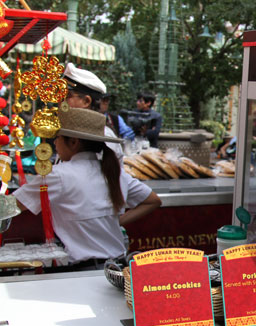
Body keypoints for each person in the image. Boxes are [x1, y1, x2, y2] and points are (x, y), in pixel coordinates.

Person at [13, 108, 162, 271]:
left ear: (73, 142)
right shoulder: (114, 173)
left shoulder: (59, 175)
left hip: (82, 271)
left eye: (58, 138)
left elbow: (12, 206)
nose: (55, 143)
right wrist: (114, 221)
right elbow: (153, 201)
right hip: (117, 267)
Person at [63, 63, 124, 163]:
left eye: (67, 96)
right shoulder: (71, 129)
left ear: (86, 101)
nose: (60, 102)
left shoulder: (102, 134)